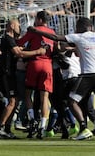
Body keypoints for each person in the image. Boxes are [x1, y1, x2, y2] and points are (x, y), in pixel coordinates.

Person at [28, 17, 95, 140]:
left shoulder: (78, 37)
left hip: (88, 75)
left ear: (80, 27)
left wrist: (36, 31)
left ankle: (84, 128)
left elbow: (56, 38)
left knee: (71, 101)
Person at [0, 18, 46, 137]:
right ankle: (0, 127)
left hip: (11, 73)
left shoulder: (12, 39)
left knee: (16, 101)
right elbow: (19, 53)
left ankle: (7, 128)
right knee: (12, 101)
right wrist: (38, 51)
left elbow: (20, 49)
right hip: (7, 74)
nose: (20, 28)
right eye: (18, 25)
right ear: (12, 26)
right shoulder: (7, 38)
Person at [17, 11, 56, 139]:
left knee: (28, 94)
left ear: (39, 19)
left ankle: (32, 120)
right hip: (48, 66)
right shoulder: (52, 32)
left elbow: (20, 42)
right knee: (45, 98)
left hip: (35, 63)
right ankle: (42, 127)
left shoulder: (34, 30)